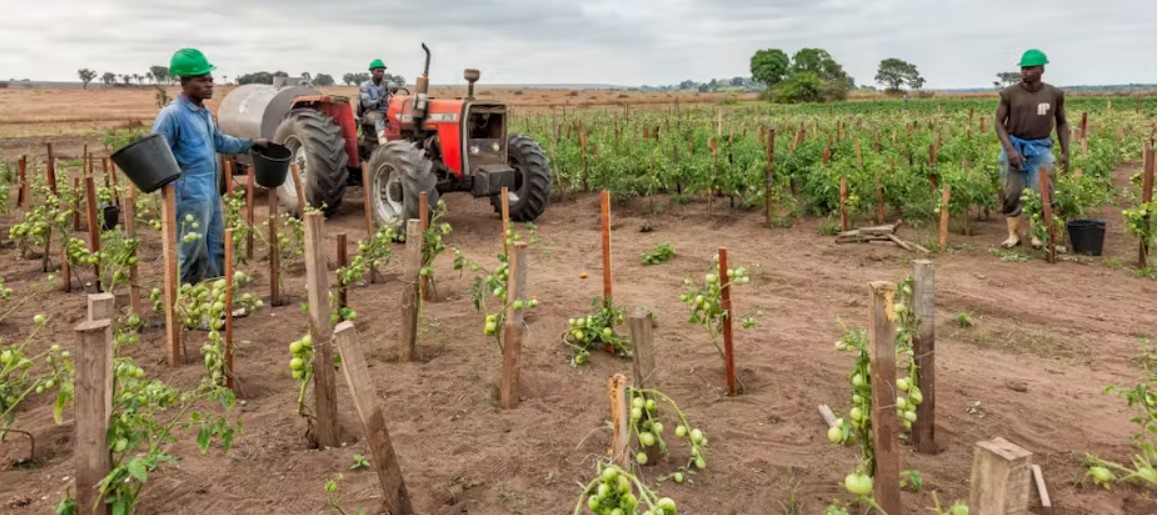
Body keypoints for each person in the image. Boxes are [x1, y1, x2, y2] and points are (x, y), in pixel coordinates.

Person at [152, 48, 268, 286]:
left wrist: (251, 144)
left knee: (216, 246)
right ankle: (185, 304)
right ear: (185, 82)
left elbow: (219, 141)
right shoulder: (172, 115)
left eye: (210, 79)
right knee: (191, 250)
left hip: (210, 190)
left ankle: (216, 300)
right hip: (188, 191)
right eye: (202, 80)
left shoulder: (203, 113)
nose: (210, 84)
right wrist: (171, 192)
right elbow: (157, 154)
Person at [994, 48, 1070, 248]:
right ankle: (1013, 235)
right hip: (1014, 145)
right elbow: (998, 122)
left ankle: (1038, 235)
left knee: (1043, 192)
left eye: (1029, 68)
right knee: (1012, 192)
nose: (1025, 71)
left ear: (1041, 69)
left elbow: (1062, 123)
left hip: (1041, 148)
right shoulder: (1010, 93)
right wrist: (1010, 150)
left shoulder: (1054, 94)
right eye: (1023, 68)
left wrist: (1065, 152)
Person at [360, 58, 392, 143]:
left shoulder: (386, 83)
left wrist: (394, 87)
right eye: (378, 71)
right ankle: (384, 144)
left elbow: (392, 84)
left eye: (382, 71)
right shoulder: (365, 86)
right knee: (379, 119)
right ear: (372, 72)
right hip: (372, 111)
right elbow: (367, 104)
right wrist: (379, 102)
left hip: (387, 110)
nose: (381, 73)